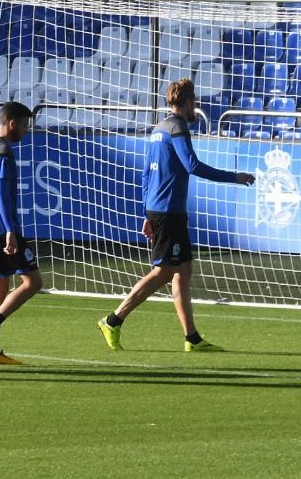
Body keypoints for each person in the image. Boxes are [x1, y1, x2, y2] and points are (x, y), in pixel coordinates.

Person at [98, 78, 255, 353]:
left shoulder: (158, 129)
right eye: (195, 102)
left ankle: (192, 338)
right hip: (168, 211)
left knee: (182, 270)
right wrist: (235, 177)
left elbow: (147, 174)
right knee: (164, 272)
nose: (196, 107)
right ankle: (114, 319)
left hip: (164, 210)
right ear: (189, 102)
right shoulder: (177, 127)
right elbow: (192, 165)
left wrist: (146, 212)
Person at [0, 101, 43, 365]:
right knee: (33, 282)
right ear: (12, 123)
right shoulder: (2, 151)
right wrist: (11, 231)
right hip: (2, 229)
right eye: (24, 125)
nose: (25, 131)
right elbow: (2, 194)